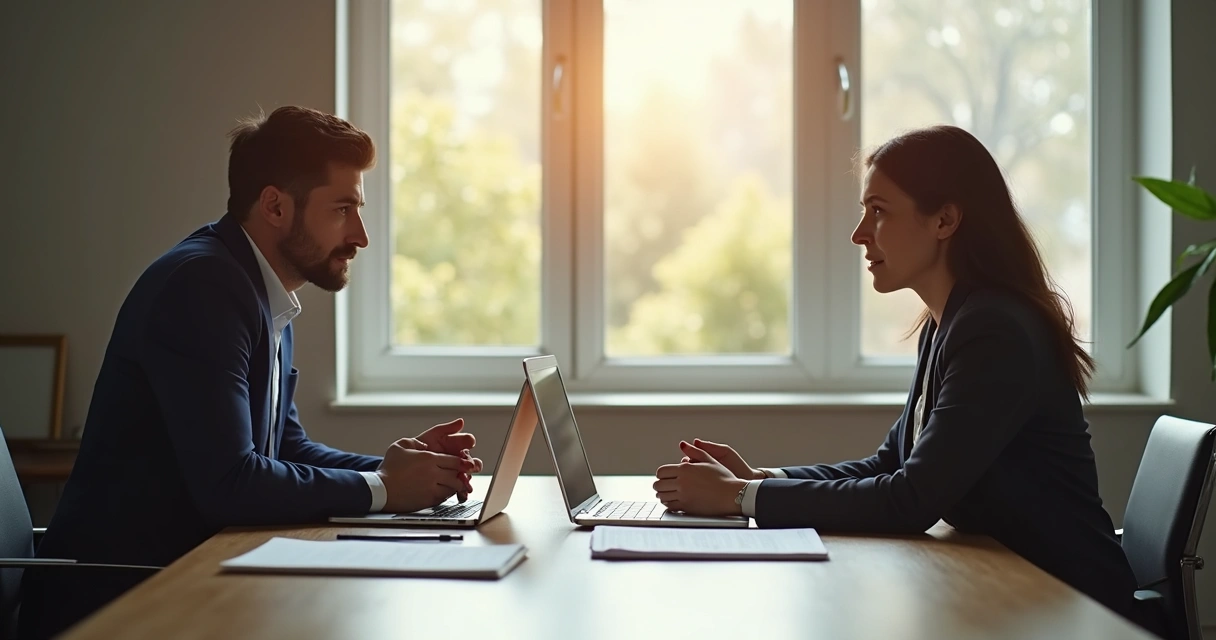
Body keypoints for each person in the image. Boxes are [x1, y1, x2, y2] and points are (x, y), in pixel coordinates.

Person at [652, 125, 1149, 631]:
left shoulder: (994, 330)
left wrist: (738, 499)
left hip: (1073, 608)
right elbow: (891, 462)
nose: (859, 232)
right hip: (1014, 590)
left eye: (879, 211)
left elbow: (910, 499)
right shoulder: (947, 323)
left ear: (944, 220)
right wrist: (760, 479)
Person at [18, 106, 483, 638]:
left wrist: (403, 470)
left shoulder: (260, 289)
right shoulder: (204, 287)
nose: (361, 235)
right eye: (343, 209)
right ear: (275, 206)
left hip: (187, 578)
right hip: (121, 599)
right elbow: (230, 483)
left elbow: (283, 447)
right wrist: (382, 487)